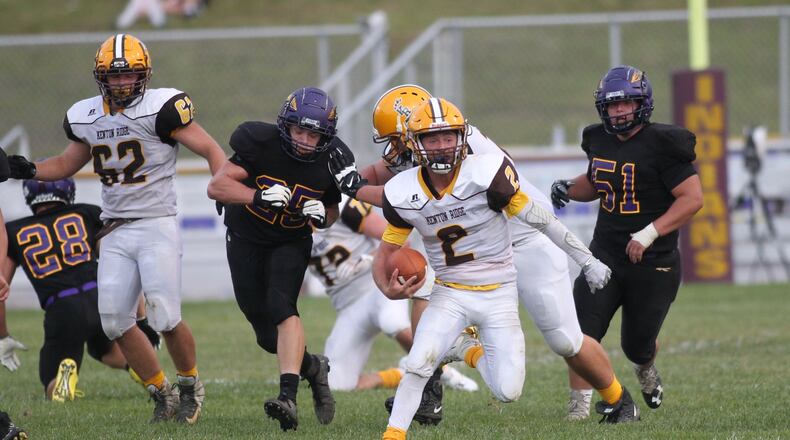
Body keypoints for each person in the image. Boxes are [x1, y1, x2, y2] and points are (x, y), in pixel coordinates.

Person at [330, 84, 640, 424]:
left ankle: (618, 398)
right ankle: (429, 390)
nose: (393, 151)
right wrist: (346, 183)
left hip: (524, 241)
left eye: (395, 140)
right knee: (424, 293)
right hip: (469, 252)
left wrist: (355, 188)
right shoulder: (425, 144)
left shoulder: (457, 147)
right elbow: (380, 175)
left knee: (564, 340)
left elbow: (388, 191)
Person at [7, 33, 226, 423]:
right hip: (114, 229)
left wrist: (222, 186)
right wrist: (24, 168)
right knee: (113, 322)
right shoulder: (87, 116)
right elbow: (65, 163)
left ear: (144, 75)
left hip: (156, 222)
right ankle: (162, 393)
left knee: (164, 317)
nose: (123, 83)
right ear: (101, 77)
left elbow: (211, 149)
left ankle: (191, 386)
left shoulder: (161, 109)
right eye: (114, 76)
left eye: (129, 75)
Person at [551, 65, 703, 419]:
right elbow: (599, 180)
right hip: (604, 253)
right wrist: (569, 188)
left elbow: (692, 198)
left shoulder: (663, 144)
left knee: (636, 345)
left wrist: (649, 233)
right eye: (612, 104)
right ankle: (579, 405)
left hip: (654, 261)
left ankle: (645, 367)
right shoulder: (599, 139)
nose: (618, 111)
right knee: (579, 332)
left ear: (642, 104)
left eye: (625, 103)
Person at [207, 86, 342, 432]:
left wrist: (324, 216)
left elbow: (332, 209)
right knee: (267, 336)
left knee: (282, 306)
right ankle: (313, 367)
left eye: (314, 135)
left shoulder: (332, 159)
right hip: (245, 239)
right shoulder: (260, 143)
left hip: (291, 241)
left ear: (325, 137)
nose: (305, 141)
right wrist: (257, 196)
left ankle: (288, 398)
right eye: (299, 131)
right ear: (285, 126)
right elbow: (217, 187)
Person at [1, 178, 161, 400]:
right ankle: (140, 370)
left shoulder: (13, 231)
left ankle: (61, 379)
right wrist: (141, 319)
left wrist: (3, 335)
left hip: (61, 306)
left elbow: (1, 290)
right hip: (100, 298)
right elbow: (121, 268)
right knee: (102, 348)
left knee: (51, 376)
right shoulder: (86, 213)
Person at [308, 196, 478, 393]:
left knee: (393, 322)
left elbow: (399, 241)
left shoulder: (340, 205)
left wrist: (368, 259)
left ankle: (441, 371)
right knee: (336, 383)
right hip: (348, 307)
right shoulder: (287, 225)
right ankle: (402, 373)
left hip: (377, 287)